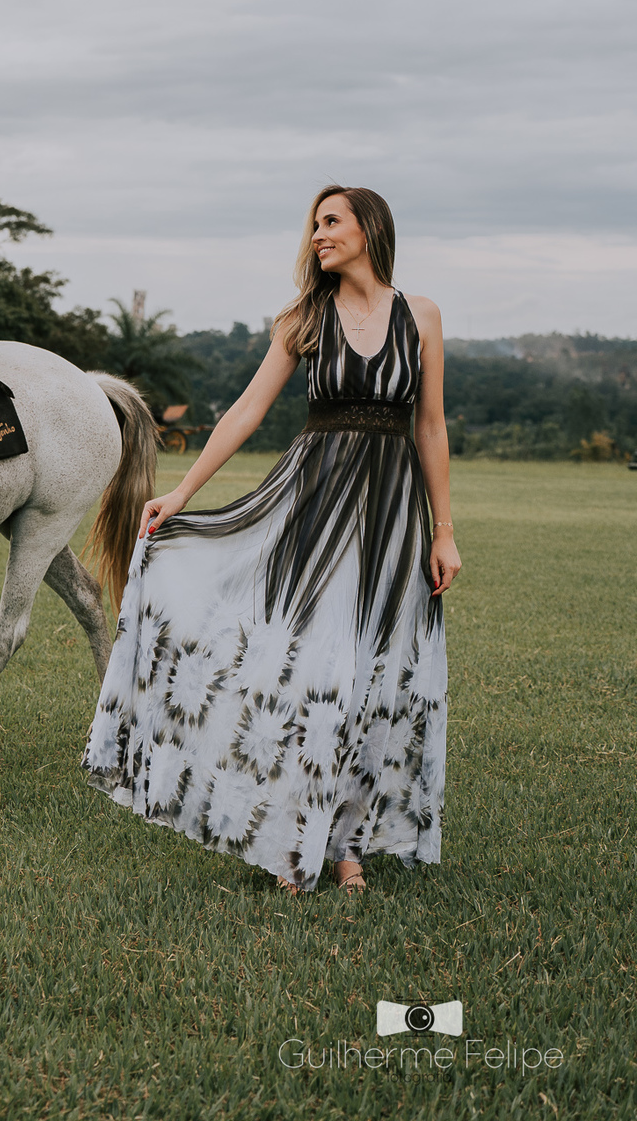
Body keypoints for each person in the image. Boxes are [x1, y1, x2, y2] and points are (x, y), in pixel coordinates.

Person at [82, 185, 461, 894]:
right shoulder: (304, 317)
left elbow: (431, 426)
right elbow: (246, 411)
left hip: (393, 516)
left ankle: (346, 846)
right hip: (317, 504)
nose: (318, 235)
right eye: (314, 225)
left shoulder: (423, 315)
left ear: (370, 228)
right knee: (314, 671)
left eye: (331, 222)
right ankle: (292, 839)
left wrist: (444, 532)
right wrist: (182, 493)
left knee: (372, 675)